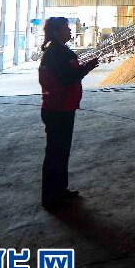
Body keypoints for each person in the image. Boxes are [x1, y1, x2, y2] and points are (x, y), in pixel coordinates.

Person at [38, 17, 99, 210]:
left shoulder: (60, 51)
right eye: (66, 29)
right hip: (57, 109)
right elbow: (67, 78)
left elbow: (68, 75)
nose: (70, 32)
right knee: (55, 153)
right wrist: (87, 68)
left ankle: (60, 190)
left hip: (64, 107)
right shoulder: (55, 53)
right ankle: (50, 196)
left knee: (62, 151)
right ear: (56, 32)